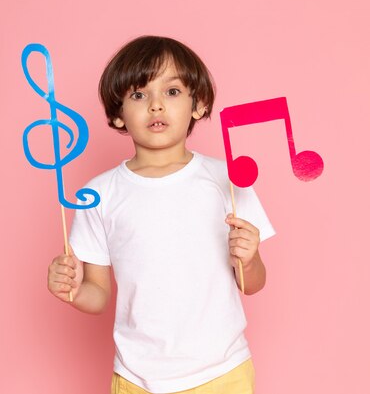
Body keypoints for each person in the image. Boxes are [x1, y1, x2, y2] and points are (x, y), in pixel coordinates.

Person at [47, 36, 275, 394]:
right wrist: (72, 290)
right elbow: (98, 295)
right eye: (139, 95)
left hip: (222, 372)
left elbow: (254, 283)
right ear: (118, 113)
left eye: (171, 92)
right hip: (137, 378)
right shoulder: (98, 195)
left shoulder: (227, 180)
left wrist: (248, 258)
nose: (156, 106)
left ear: (197, 104)